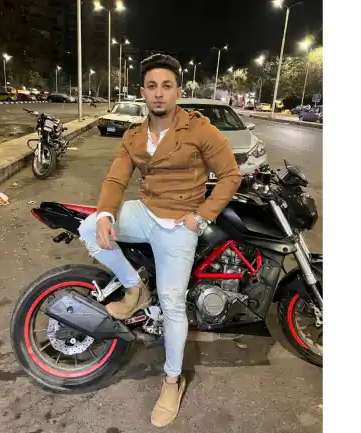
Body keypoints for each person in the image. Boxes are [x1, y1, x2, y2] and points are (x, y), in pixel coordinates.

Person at [79, 53, 241, 427]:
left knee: (172, 304)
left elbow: (231, 175)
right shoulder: (134, 135)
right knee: (89, 227)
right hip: (145, 212)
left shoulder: (199, 129)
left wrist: (201, 215)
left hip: (179, 224)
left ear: (177, 92)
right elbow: (116, 179)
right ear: (143, 92)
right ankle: (135, 287)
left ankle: (171, 380)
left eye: (166, 86)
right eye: (152, 86)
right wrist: (105, 215)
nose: (159, 93)